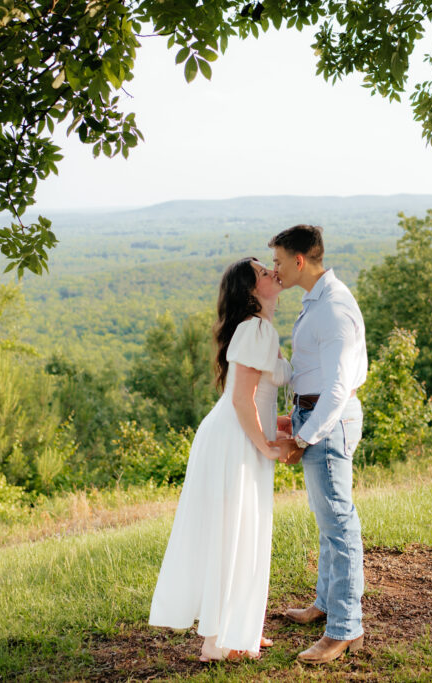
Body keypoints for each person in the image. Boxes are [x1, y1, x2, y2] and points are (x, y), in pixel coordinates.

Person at [148, 257, 290, 662]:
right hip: (235, 441)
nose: (272, 273)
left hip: (237, 433)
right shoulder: (257, 328)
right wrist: (265, 445)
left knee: (244, 532)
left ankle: (238, 628)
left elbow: (253, 396)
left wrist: (276, 425)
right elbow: (242, 399)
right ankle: (220, 643)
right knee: (235, 533)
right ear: (250, 290)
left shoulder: (256, 330)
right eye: (263, 272)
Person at [270, 225, 369, 665]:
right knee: (328, 521)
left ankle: (344, 630)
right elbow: (309, 372)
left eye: (276, 261)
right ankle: (325, 605)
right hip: (312, 416)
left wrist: (303, 437)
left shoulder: (333, 309)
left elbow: (336, 389)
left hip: (328, 423)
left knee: (340, 526)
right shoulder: (315, 303)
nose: (273, 269)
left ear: (298, 260)